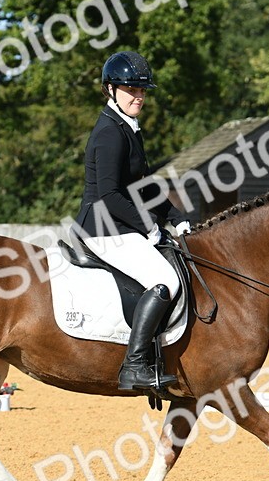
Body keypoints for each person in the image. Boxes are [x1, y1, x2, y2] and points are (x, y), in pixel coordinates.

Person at [74, 51, 191, 397]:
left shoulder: (128, 128)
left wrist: (176, 217)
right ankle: (135, 365)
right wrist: (148, 227)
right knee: (165, 279)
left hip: (118, 225)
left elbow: (144, 184)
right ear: (110, 89)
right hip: (102, 228)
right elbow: (109, 195)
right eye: (131, 90)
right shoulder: (110, 132)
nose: (139, 96)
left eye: (142, 91)